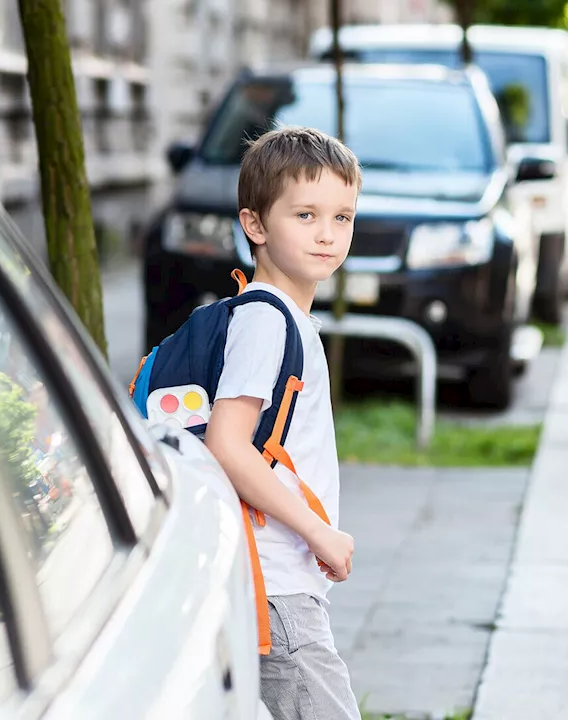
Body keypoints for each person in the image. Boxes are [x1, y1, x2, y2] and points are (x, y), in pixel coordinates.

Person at [204, 125, 363, 720]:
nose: (328, 233)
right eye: (305, 214)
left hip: (280, 582)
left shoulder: (285, 318)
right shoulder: (267, 318)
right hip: (276, 583)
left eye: (343, 217)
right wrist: (318, 533)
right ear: (256, 225)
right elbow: (227, 444)